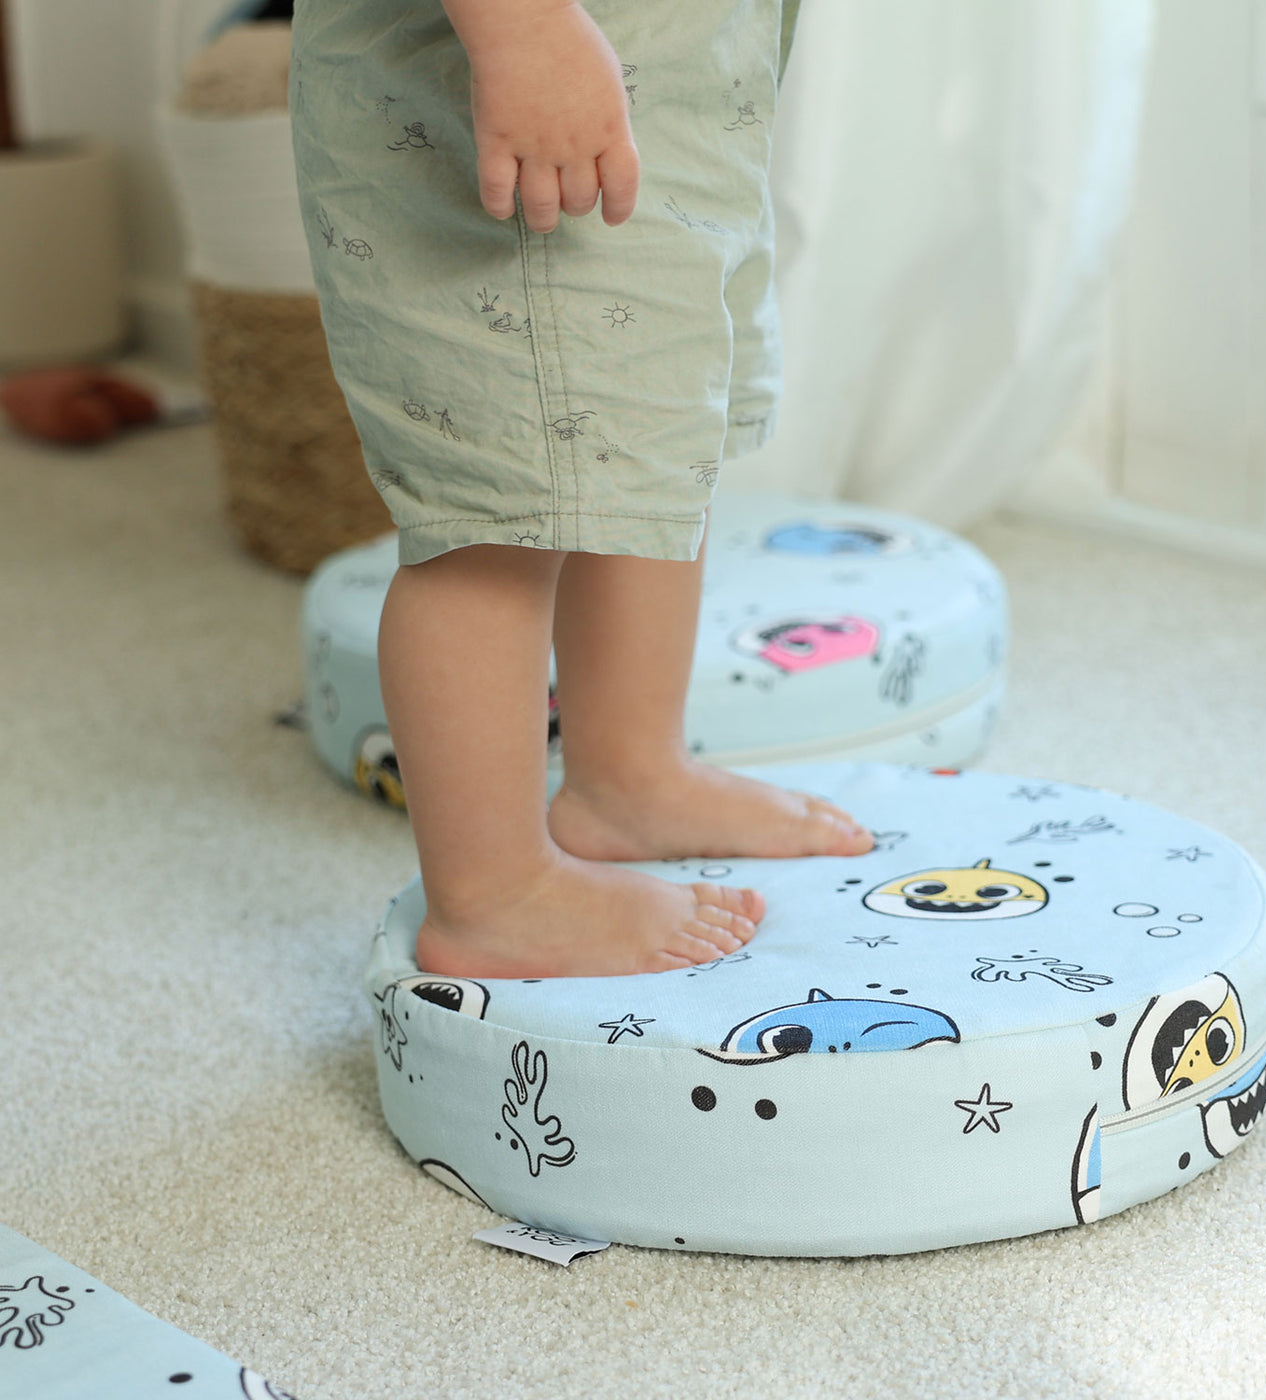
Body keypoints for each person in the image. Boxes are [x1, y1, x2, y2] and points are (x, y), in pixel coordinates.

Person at [290, 0, 873, 979]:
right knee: (499, 506)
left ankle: (628, 773)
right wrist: (518, 27)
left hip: (674, 95)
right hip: (511, 92)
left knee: (639, 436)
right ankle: (491, 891)